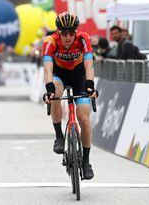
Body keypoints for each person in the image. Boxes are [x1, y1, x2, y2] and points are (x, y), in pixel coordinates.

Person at [42, 11, 98, 180]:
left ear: (76, 32)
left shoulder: (83, 38)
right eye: (63, 33)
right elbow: (47, 68)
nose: (67, 37)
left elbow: (89, 66)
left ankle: (86, 162)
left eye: (70, 33)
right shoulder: (50, 41)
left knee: (84, 119)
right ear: (58, 31)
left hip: (79, 76)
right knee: (56, 95)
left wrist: (90, 85)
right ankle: (59, 136)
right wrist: (49, 88)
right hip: (59, 74)